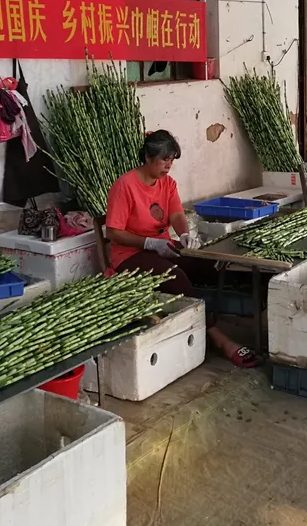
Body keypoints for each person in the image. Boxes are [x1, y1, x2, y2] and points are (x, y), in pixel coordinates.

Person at [105, 130, 258, 368]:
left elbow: (176, 213)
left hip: (162, 246)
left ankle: (213, 314)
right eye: (164, 159)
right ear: (148, 156)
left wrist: (185, 234)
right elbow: (113, 232)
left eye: (172, 160)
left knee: (206, 263)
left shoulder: (167, 183)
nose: (168, 165)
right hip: (130, 255)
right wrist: (148, 243)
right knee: (176, 276)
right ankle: (217, 336)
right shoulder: (125, 186)